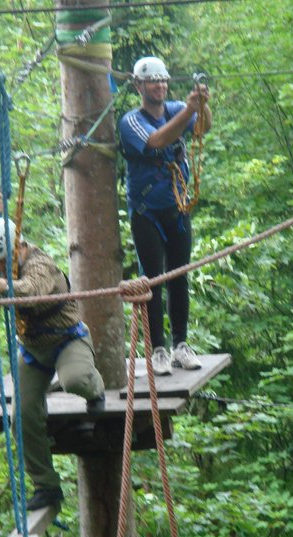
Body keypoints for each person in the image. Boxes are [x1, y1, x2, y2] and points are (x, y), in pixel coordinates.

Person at [0, 194, 105, 510]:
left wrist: (4, 286)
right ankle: (47, 486)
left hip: (68, 340)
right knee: (22, 417)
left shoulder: (41, 263)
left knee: (76, 381)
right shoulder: (1, 258)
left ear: (16, 248)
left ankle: (96, 390)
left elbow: (33, 292)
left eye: (0, 262)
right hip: (33, 351)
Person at [119, 56, 212, 376]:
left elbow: (202, 128)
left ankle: (180, 345)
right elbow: (156, 140)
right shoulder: (131, 120)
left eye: (162, 80)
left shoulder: (175, 109)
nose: (159, 85)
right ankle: (157, 349)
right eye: (152, 81)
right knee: (153, 281)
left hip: (177, 208)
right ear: (138, 85)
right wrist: (189, 109)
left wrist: (201, 105)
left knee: (179, 277)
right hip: (146, 212)